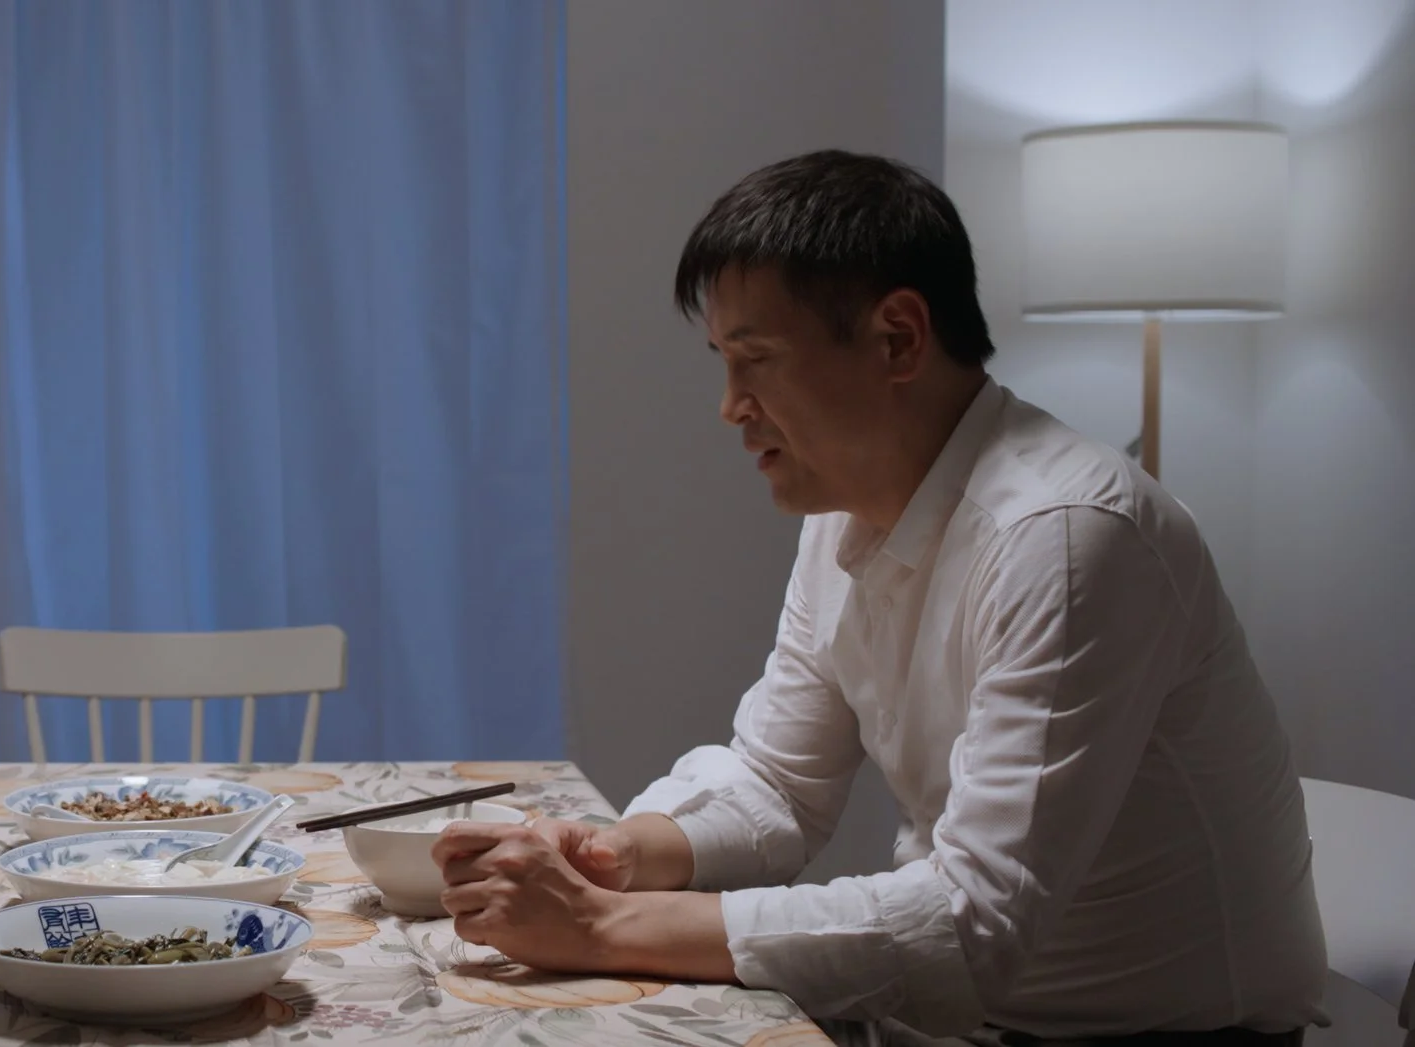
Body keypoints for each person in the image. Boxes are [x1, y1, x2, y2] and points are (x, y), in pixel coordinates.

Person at [433, 152, 1326, 1045]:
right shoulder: (845, 514)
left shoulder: (1069, 534)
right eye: (724, 363)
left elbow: (974, 925)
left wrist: (596, 925)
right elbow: (780, 781)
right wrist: (622, 854)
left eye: (756, 361)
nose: (731, 406)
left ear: (899, 337)